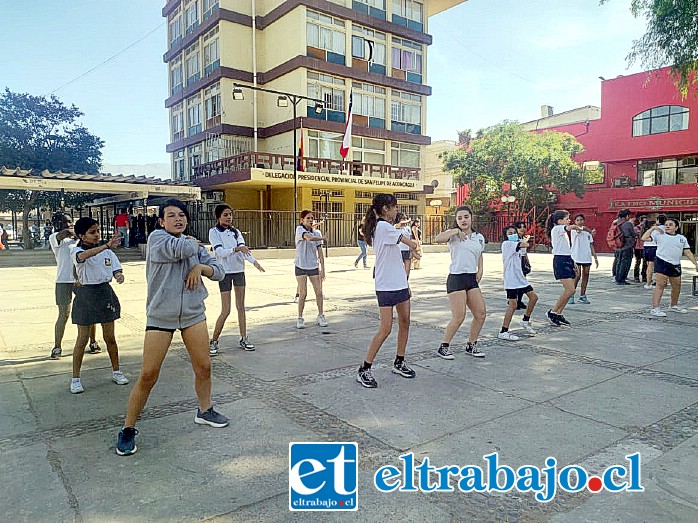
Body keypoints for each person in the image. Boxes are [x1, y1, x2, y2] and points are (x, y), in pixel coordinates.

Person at [116, 199, 228, 456]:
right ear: (161, 221)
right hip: (160, 317)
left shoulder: (191, 244)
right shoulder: (157, 239)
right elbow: (180, 249)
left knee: (204, 367)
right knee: (148, 374)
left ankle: (205, 409)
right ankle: (128, 429)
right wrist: (194, 247)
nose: (177, 219)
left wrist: (202, 267)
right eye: (171, 216)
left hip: (192, 314)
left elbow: (219, 271)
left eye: (181, 215)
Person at [356, 194, 420, 388]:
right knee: (386, 329)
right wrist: (415, 246)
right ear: (385, 208)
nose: (396, 211)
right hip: (385, 285)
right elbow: (409, 242)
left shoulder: (388, 228)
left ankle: (399, 361)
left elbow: (400, 248)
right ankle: (364, 369)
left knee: (405, 322)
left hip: (399, 281)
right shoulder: (383, 227)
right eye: (394, 207)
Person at [69, 217, 127, 394]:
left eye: (98, 231)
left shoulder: (108, 253)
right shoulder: (76, 250)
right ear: (81, 235)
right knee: (82, 340)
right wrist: (106, 246)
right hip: (86, 295)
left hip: (105, 293)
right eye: (92, 232)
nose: (97, 235)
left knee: (110, 338)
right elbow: (82, 257)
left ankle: (117, 371)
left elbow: (116, 268)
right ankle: (76, 378)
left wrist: (118, 275)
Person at [208, 204, 265, 355]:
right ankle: (213, 341)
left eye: (230, 214)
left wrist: (254, 262)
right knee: (226, 309)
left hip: (239, 271)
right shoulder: (214, 232)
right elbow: (219, 252)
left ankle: (244, 338)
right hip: (224, 273)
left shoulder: (236, 232)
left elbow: (244, 250)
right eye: (225, 214)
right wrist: (235, 249)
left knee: (241, 307)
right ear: (219, 217)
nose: (228, 217)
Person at [433, 205, 487, 359]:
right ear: (456, 220)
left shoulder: (479, 237)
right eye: (459, 218)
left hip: (471, 278)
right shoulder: (453, 236)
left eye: (466, 217)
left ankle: (471, 344)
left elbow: (479, 254)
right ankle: (444, 346)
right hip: (456, 278)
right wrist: (456, 231)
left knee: (481, 313)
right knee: (459, 316)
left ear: (471, 217)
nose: (463, 220)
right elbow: (437, 239)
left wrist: (480, 269)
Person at [48, 214, 101, 359]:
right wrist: (76, 232)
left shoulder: (80, 239)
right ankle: (57, 346)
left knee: (90, 311)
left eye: (71, 221)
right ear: (57, 223)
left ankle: (93, 341)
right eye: (64, 222)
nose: (68, 224)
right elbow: (65, 234)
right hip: (63, 281)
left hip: (83, 279)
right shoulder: (55, 237)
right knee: (63, 314)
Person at [642, 218, 698, 317]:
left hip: (675, 264)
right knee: (660, 285)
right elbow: (644, 238)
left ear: (676, 227)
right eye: (666, 224)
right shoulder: (659, 235)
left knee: (676, 286)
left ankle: (674, 305)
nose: (667, 226)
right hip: (662, 262)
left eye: (670, 224)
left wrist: (695, 264)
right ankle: (655, 308)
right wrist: (653, 228)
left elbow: (687, 252)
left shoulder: (681, 238)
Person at [545, 210, 590, 326]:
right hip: (560, 261)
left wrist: (572, 261)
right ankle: (553, 312)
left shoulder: (562, 231)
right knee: (570, 289)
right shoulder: (557, 229)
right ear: (559, 221)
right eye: (567, 218)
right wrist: (578, 227)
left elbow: (566, 247)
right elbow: (571, 227)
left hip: (567, 259)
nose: (569, 220)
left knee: (570, 290)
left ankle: (559, 313)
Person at [498, 226, 538, 341]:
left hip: (520, 278)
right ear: (506, 235)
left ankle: (525, 320)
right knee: (513, 305)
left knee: (534, 297)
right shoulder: (507, 244)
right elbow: (525, 245)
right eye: (510, 233)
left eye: (514, 232)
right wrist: (525, 240)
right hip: (511, 280)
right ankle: (504, 331)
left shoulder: (517, 243)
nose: (513, 234)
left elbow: (524, 254)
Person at [294, 210, 327, 329]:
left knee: (319, 292)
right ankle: (300, 317)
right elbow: (308, 238)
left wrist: (322, 268)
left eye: (312, 218)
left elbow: (320, 252)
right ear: (302, 220)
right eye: (308, 218)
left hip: (313, 266)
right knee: (303, 293)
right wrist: (321, 237)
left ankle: (321, 315)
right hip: (301, 265)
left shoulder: (317, 232)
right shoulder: (300, 230)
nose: (310, 220)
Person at [569, 214, 598, 304]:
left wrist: (595, 257)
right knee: (577, 276)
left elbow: (591, 245)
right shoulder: (574, 230)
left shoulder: (588, 233)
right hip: (576, 256)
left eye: (581, 220)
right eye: (577, 220)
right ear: (575, 222)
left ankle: (582, 295)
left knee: (586, 275)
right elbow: (580, 229)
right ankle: (571, 295)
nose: (580, 221)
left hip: (586, 257)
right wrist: (589, 230)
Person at [643, 214, 666, 289]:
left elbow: (645, 238)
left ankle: (648, 283)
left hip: (649, 247)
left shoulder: (654, 229)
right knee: (661, 265)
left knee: (650, 266)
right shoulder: (666, 228)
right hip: (659, 247)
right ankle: (662, 281)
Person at [614, 209, 636, 285]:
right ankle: (621, 279)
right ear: (627, 216)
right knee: (625, 263)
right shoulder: (628, 224)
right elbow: (632, 234)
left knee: (618, 262)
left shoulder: (615, 222)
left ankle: (617, 277)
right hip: (626, 246)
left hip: (617, 245)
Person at [513, 221, 531, 310]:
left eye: (524, 227)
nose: (522, 229)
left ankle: (519, 300)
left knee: (522, 280)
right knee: (517, 281)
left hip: (523, 259)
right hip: (517, 260)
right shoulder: (515, 239)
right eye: (520, 227)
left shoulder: (523, 238)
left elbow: (525, 251)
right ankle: (514, 300)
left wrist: (527, 261)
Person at [394, 213, 413, 279]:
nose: (405, 220)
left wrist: (411, 251)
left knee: (407, 269)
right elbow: (399, 225)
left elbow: (410, 239)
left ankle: (406, 282)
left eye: (406, 218)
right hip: (398, 250)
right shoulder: (395, 226)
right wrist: (407, 221)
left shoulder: (407, 228)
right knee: (398, 268)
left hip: (406, 250)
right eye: (403, 218)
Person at [633, 217, 647, 283]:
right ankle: (636, 276)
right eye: (644, 221)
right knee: (638, 262)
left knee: (645, 263)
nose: (645, 222)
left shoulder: (647, 229)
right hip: (638, 247)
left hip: (645, 247)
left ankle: (644, 276)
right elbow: (637, 237)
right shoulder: (636, 228)